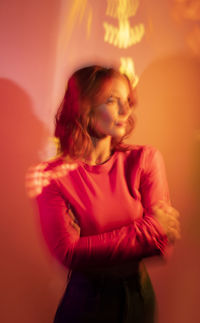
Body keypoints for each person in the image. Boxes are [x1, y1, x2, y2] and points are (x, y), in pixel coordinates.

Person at [34, 65, 181, 323]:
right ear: (83, 107)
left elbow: (162, 245)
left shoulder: (145, 159)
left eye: (127, 101)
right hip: (84, 304)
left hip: (139, 298)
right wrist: (149, 229)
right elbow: (67, 253)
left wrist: (91, 246)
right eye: (112, 101)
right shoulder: (51, 176)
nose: (126, 111)